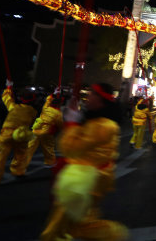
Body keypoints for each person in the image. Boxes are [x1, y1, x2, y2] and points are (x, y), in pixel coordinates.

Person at [40, 83, 128, 241]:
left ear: (101, 100)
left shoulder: (102, 125)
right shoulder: (98, 121)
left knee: (59, 226)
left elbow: (70, 148)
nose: (88, 96)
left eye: (92, 93)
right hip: (87, 179)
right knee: (78, 221)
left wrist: (72, 123)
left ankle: (112, 235)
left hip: (83, 181)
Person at [0, 82, 38, 185]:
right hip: (21, 135)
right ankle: (18, 171)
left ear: (21, 98)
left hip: (7, 133)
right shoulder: (33, 111)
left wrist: (8, 87)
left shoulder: (13, 107)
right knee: (20, 154)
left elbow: (6, 98)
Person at [17, 91, 64, 172]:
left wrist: (53, 94)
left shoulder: (45, 108)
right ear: (58, 104)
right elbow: (60, 125)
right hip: (46, 133)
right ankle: (49, 163)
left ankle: (21, 164)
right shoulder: (58, 113)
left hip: (36, 130)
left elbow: (47, 100)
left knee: (30, 148)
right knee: (48, 148)